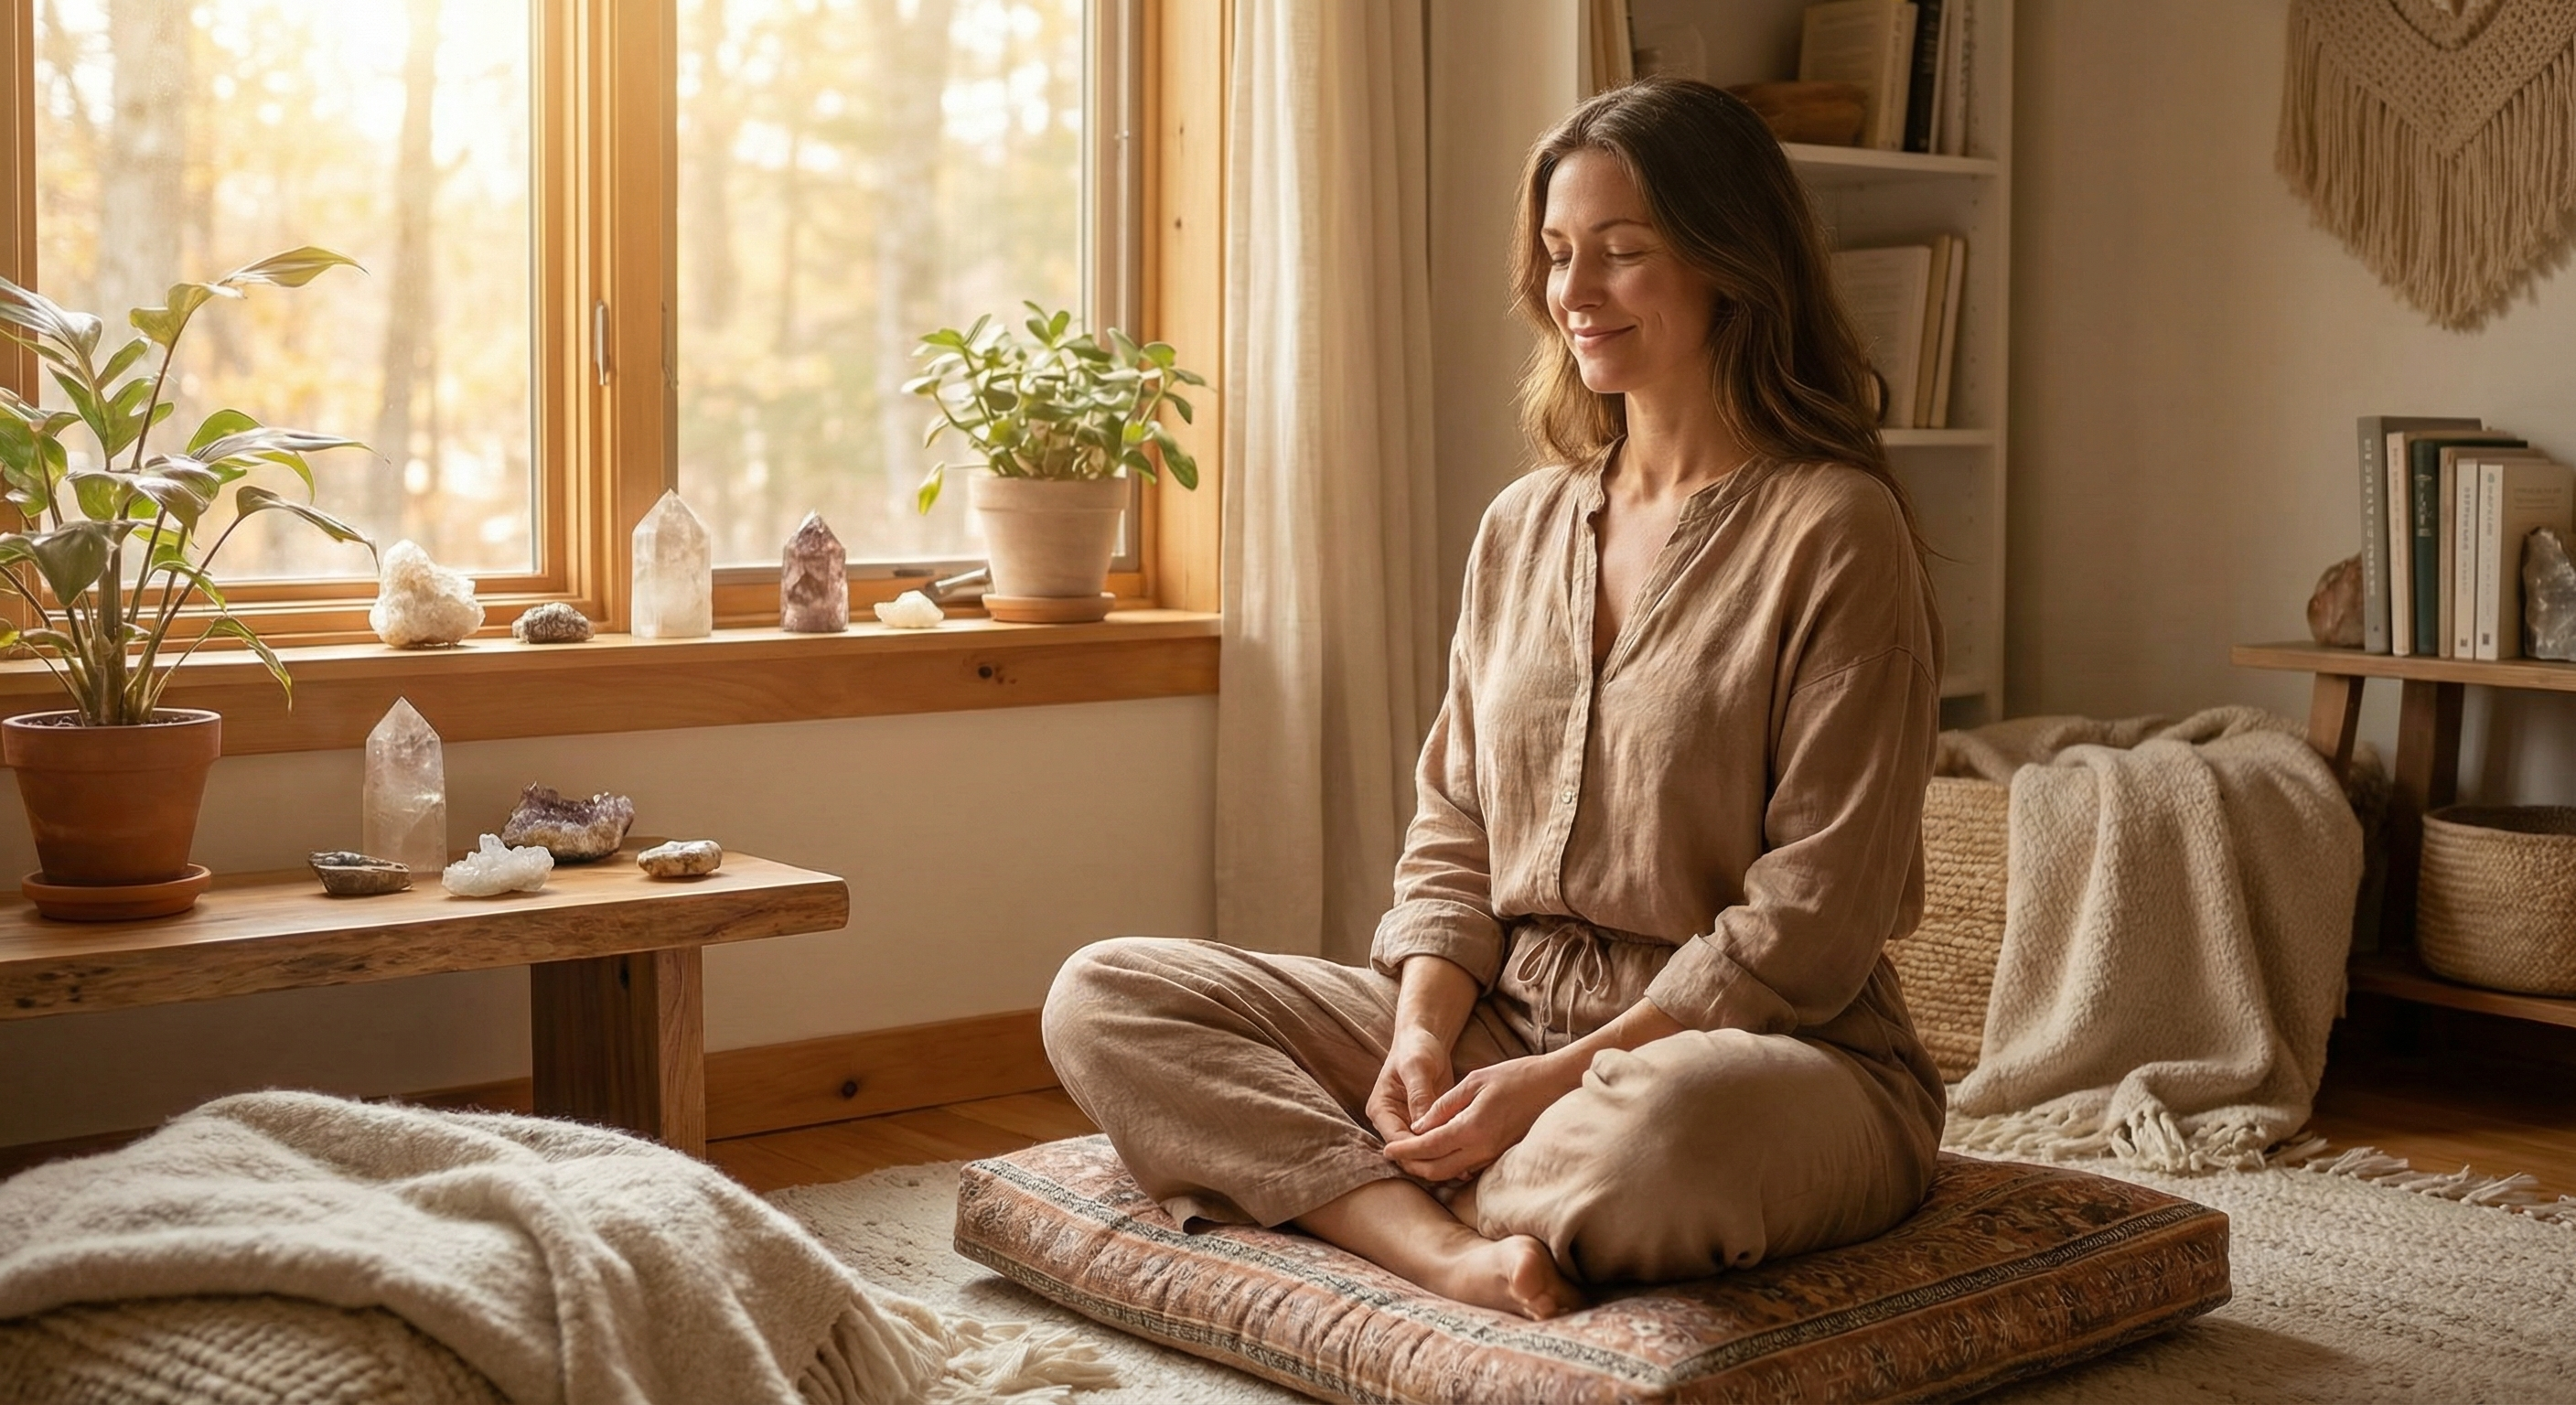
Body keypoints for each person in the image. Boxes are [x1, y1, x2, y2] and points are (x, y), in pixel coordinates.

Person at [1042, 78, 1946, 1322]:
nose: (1573, 293)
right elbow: (1454, 835)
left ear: (1735, 265)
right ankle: (1444, 1251)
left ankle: (1361, 1188)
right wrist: (1420, 1036)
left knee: (1657, 1146)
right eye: (1560, 255)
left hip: (1761, 1058)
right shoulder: (1521, 527)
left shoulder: (1838, 529)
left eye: (1624, 256)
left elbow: (1814, 923)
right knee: (1105, 996)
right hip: (1498, 1022)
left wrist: (1556, 1086)